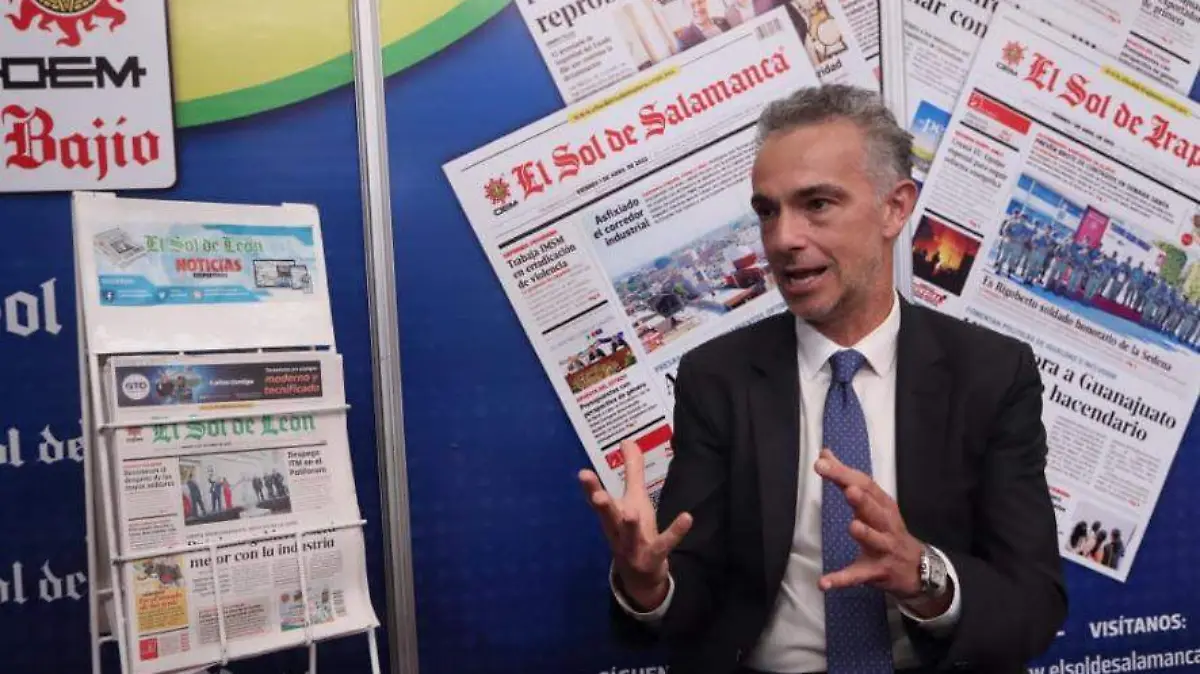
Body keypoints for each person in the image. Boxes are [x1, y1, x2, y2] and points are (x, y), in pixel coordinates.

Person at [579, 85, 1065, 674]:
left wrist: (925, 576)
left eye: (817, 204)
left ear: (895, 208)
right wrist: (648, 585)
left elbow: (1033, 603)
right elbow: (692, 592)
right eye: (768, 211)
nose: (783, 239)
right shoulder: (717, 378)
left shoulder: (991, 373)